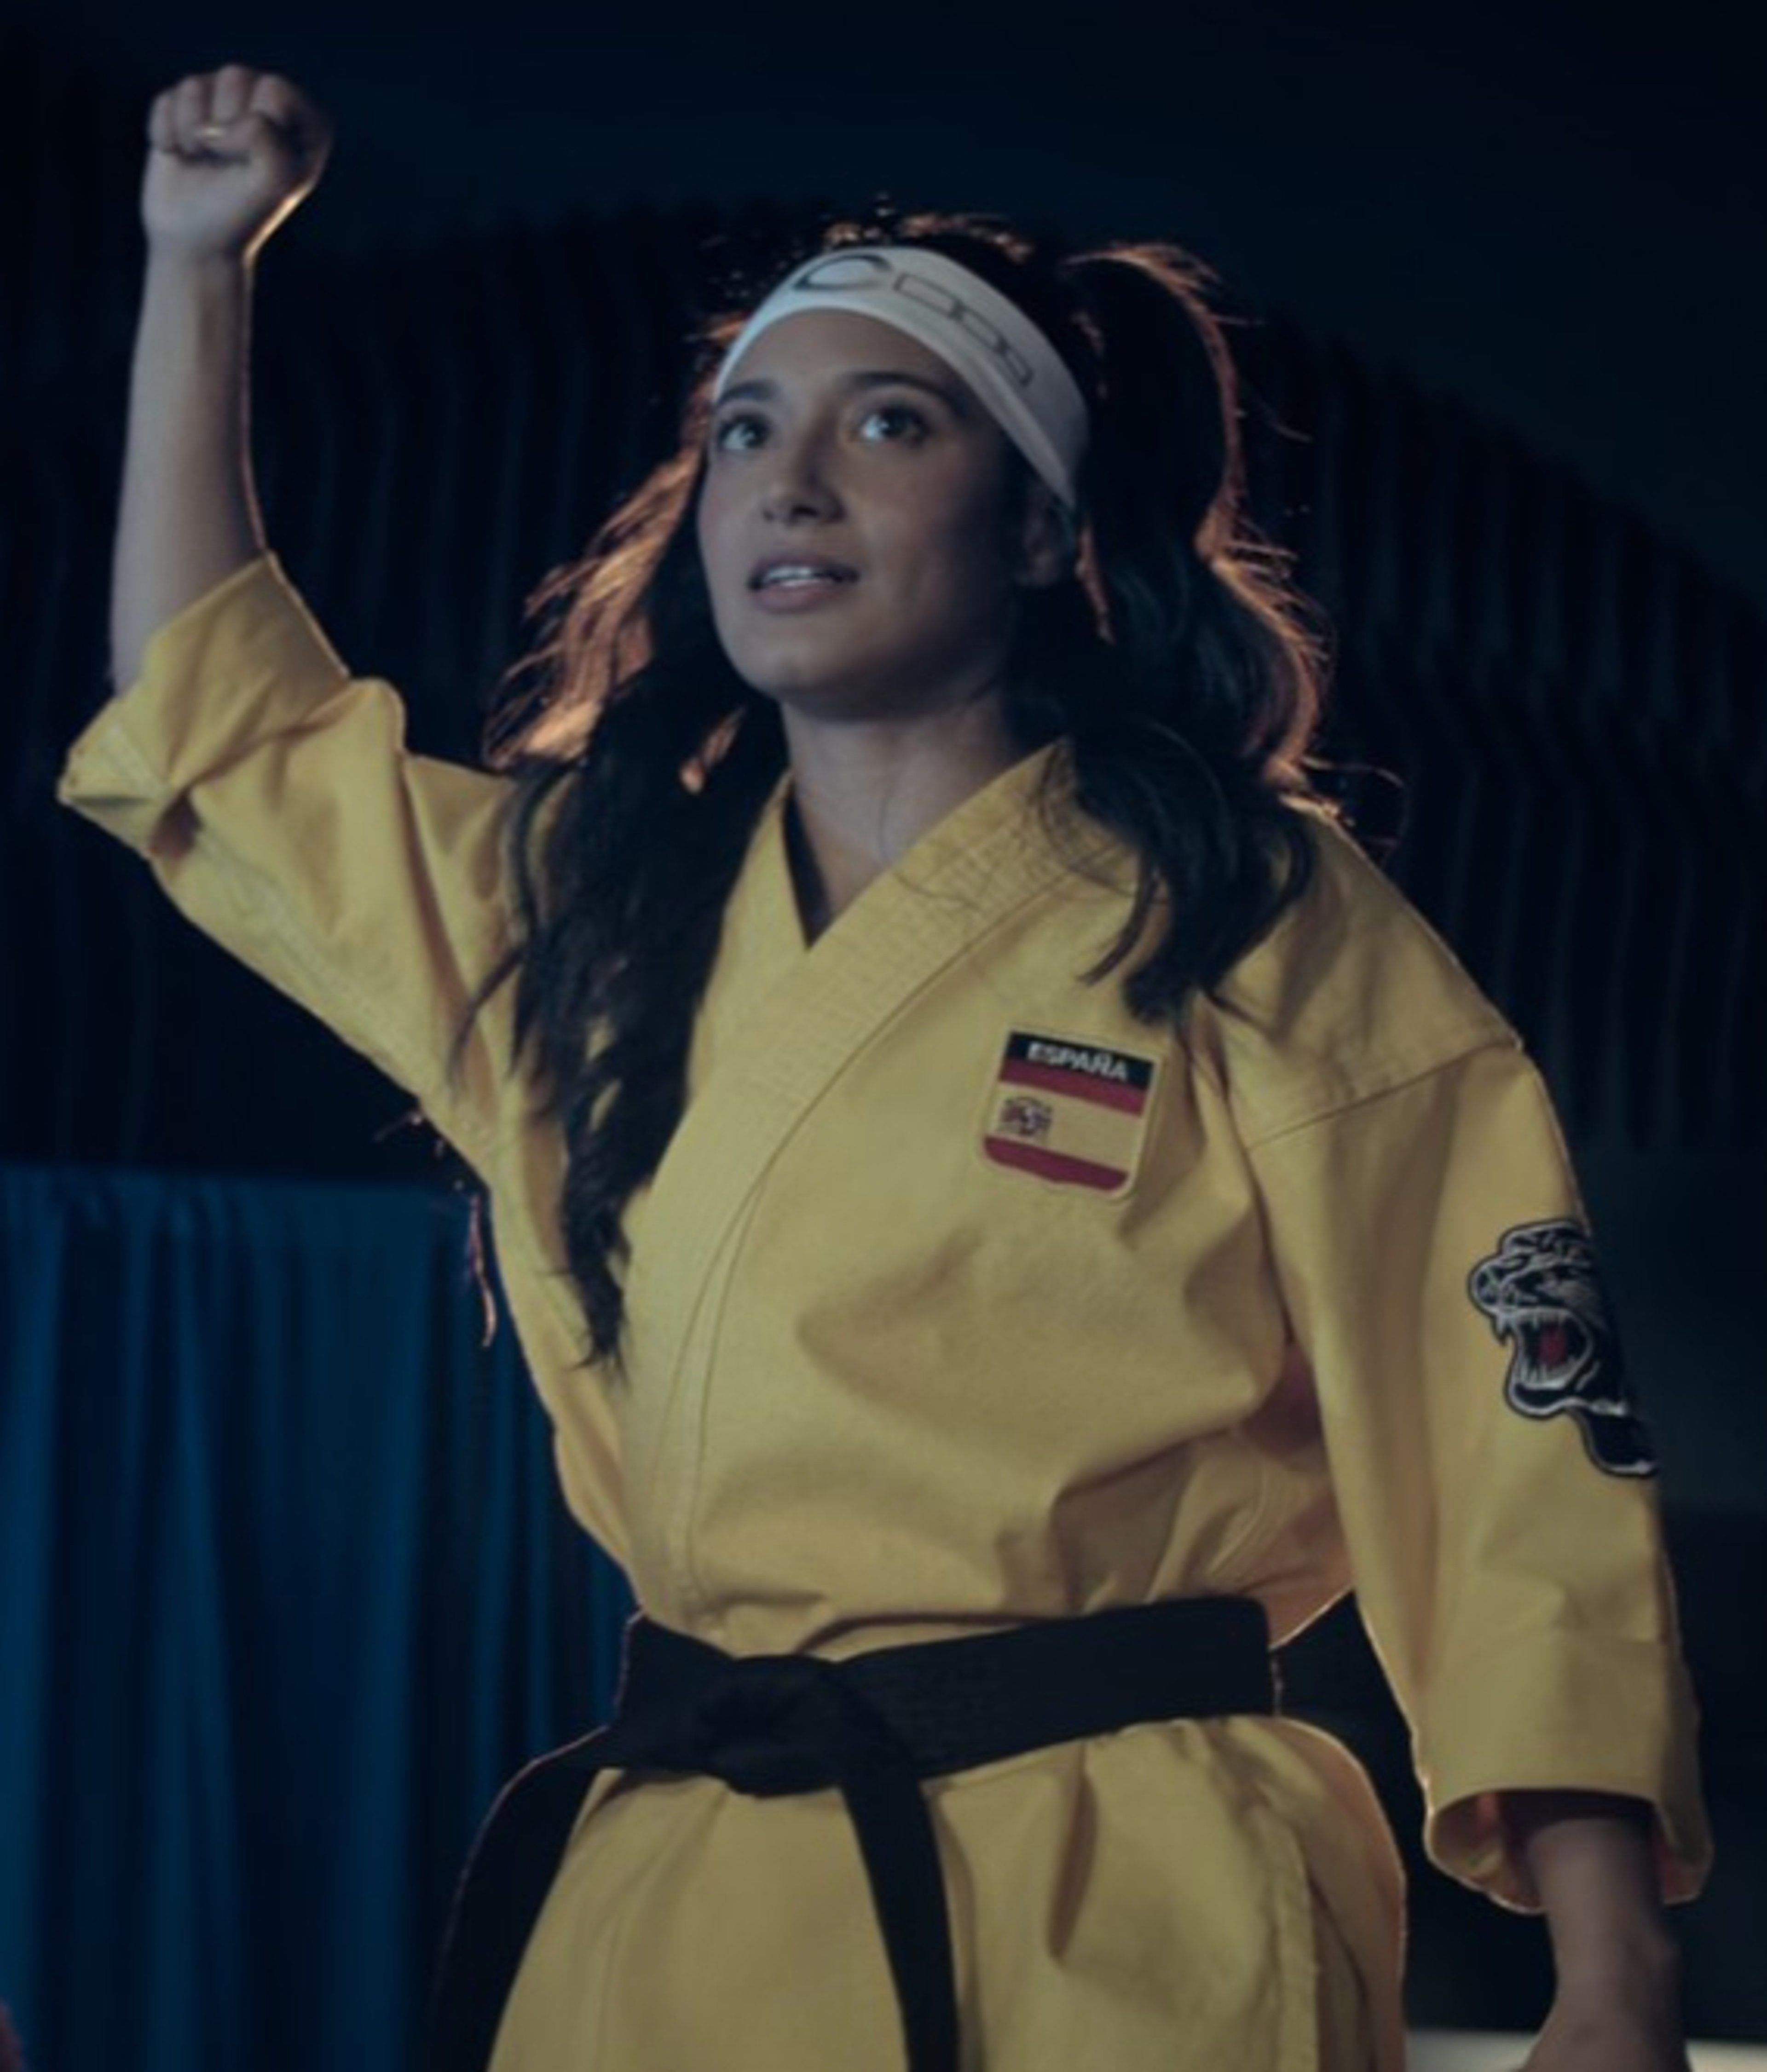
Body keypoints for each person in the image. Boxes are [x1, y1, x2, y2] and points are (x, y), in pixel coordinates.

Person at [61, 62, 1710, 2072]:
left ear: (1041, 526)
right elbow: (216, 737)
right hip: (683, 1899)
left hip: (1129, 1894)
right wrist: (200, 265)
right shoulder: (588, 917)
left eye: (891, 423)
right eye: (747, 430)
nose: (792, 482)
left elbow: (1504, 1427)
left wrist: (1615, 1973)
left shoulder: (1244, 908)